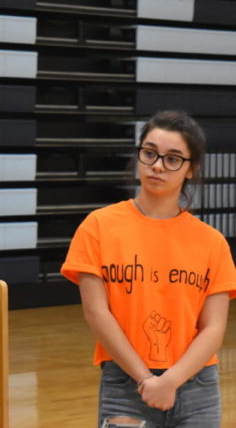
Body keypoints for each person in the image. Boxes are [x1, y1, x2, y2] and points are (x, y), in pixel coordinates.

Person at [61, 110, 236, 427]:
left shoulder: (212, 243)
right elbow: (97, 313)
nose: (157, 165)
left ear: (191, 169)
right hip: (126, 381)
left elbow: (214, 329)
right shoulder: (98, 227)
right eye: (150, 153)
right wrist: (145, 378)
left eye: (173, 159)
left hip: (195, 385)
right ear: (139, 156)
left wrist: (171, 381)